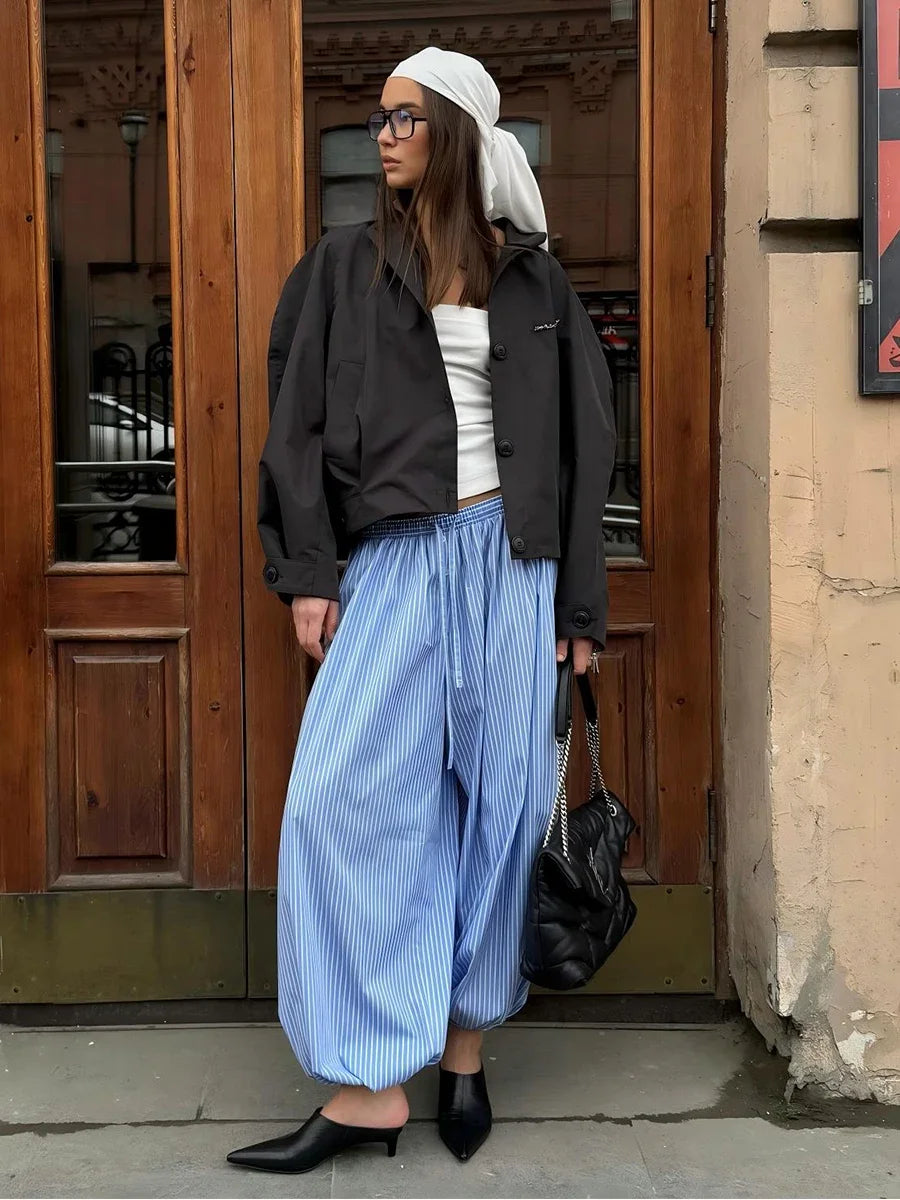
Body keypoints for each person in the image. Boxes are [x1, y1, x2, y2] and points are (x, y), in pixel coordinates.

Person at [227, 45, 616, 1176]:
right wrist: (307, 571)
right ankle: (364, 1088)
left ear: (452, 129)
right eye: (379, 116)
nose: (383, 133)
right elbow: (294, 427)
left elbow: (588, 449)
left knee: (494, 817)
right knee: (335, 806)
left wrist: (578, 606)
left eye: (404, 116)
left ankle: (461, 1052)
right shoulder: (348, 266)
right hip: (395, 565)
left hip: (513, 565)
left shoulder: (533, 282)